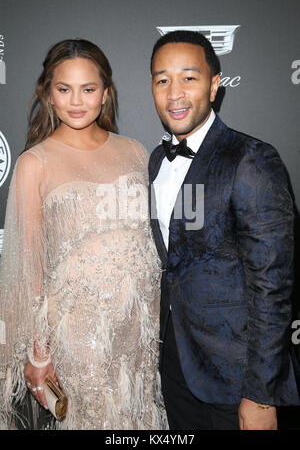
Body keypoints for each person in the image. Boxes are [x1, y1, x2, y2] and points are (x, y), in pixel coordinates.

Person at [0, 39, 166, 430]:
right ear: (48, 94)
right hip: (78, 339)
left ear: (105, 94)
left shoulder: (136, 152)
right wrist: (39, 353)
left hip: (137, 334)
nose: (76, 101)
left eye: (88, 89)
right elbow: (29, 268)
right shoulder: (33, 163)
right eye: (64, 89)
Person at [148, 30, 299, 430]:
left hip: (236, 377)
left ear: (215, 86)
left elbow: (273, 284)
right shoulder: (155, 163)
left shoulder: (252, 159)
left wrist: (262, 393)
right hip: (175, 366)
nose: (174, 93)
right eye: (162, 80)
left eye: (189, 78)